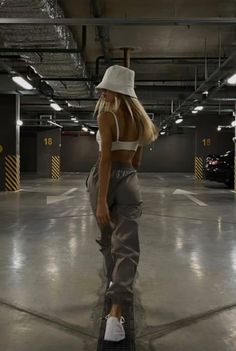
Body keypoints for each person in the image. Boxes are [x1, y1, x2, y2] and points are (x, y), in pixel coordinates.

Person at [87, 65, 158, 342]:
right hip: (129, 179)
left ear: (117, 91)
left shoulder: (107, 116)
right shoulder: (142, 121)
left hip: (104, 180)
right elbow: (137, 162)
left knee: (107, 240)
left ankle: (113, 290)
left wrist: (103, 201)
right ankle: (116, 314)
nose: (102, 92)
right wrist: (126, 176)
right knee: (127, 245)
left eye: (105, 88)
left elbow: (105, 160)